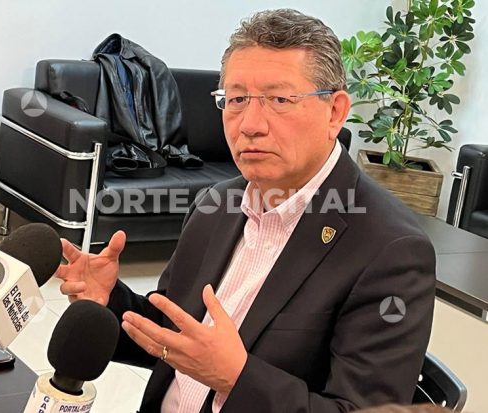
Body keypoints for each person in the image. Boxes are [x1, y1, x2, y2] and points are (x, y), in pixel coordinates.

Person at [56, 9, 436, 413]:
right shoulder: (215, 204)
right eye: (236, 100)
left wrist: (237, 379)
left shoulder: (390, 250)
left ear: (335, 112)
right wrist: (110, 300)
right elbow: (177, 335)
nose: (250, 124)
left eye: (280, 99)